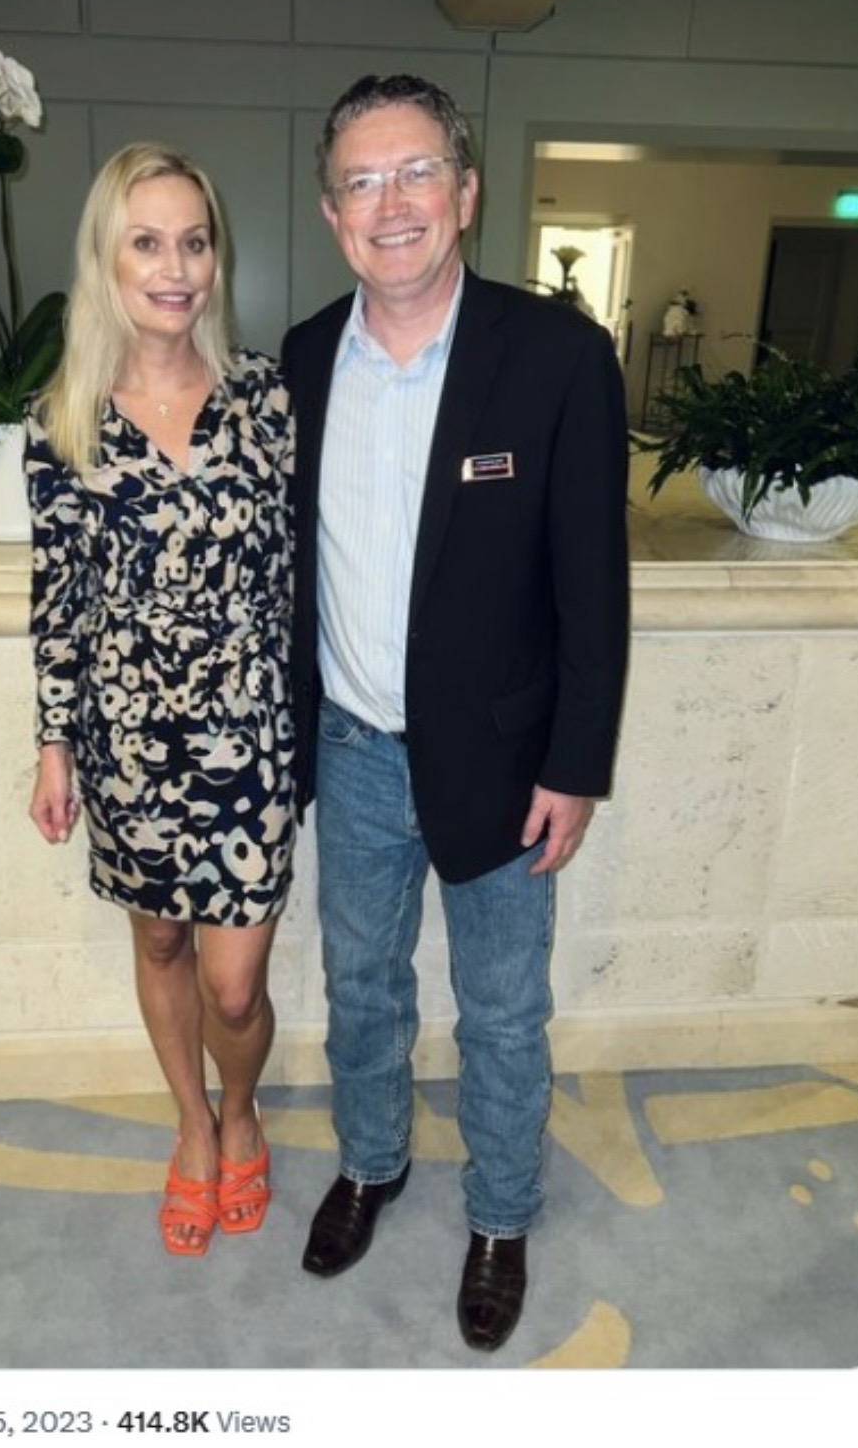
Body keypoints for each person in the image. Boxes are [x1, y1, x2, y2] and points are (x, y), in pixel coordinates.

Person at [282, 74, 629, 1351]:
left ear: (466, 193)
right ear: (333, 214)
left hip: (505, 756)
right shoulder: (301, 362)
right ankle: (371, 1164)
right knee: (363, 987)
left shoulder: (557, 358)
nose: (393, 204)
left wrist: (574, 763)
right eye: (363, 182)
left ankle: (500, 1215)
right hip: (353, 749)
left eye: (418, 171)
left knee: (501, 1011)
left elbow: (593, 584)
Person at [26, 142, 296, 1257]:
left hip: (251, 735)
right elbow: (57, 598)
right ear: (107, 257)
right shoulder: (63, 420)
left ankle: (242, 1106)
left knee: (235, 986)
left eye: (194, 241)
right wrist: (54, 745)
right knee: (160, 944)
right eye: (147, 242)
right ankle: (194, 1126)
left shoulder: (268, 397)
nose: (175, 267)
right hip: (127, 741)